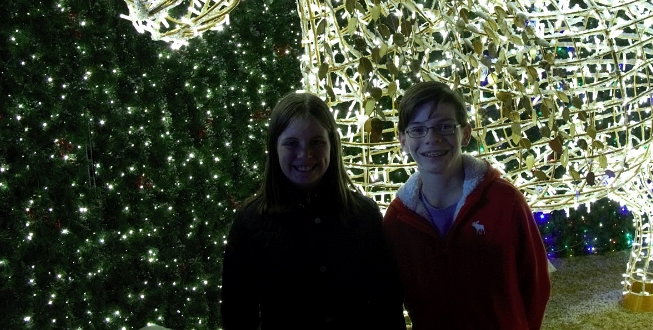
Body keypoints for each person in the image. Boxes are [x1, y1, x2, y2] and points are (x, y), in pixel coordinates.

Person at [221, 91, 406, 329]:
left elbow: (387, 308)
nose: (305, 155)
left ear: (332, 145)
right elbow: (237, 314)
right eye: (292, 143)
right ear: (275, 147)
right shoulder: (250, 222)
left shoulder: (364, 215)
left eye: (316, 142)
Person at [383, 81, 551, 330]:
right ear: (403, 140)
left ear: (465, 133)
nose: (432, 138)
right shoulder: (397, 221)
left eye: (445, 126)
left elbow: (535, 284)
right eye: (417, 129)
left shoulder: (505, 201)